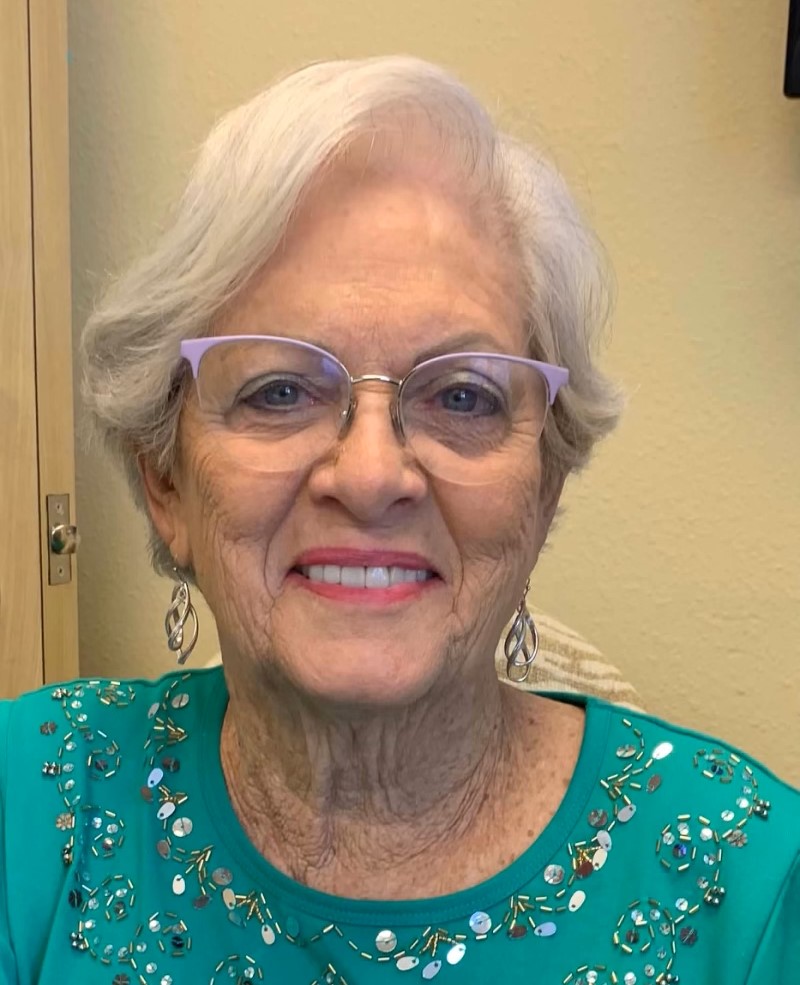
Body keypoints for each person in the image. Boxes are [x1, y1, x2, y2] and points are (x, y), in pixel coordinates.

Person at [0, 56, 796, 985]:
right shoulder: (34, 801)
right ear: (164, 482)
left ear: (545, 488)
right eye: (280, 390)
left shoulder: (750, 887)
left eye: (462, 395)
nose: (372, 475)